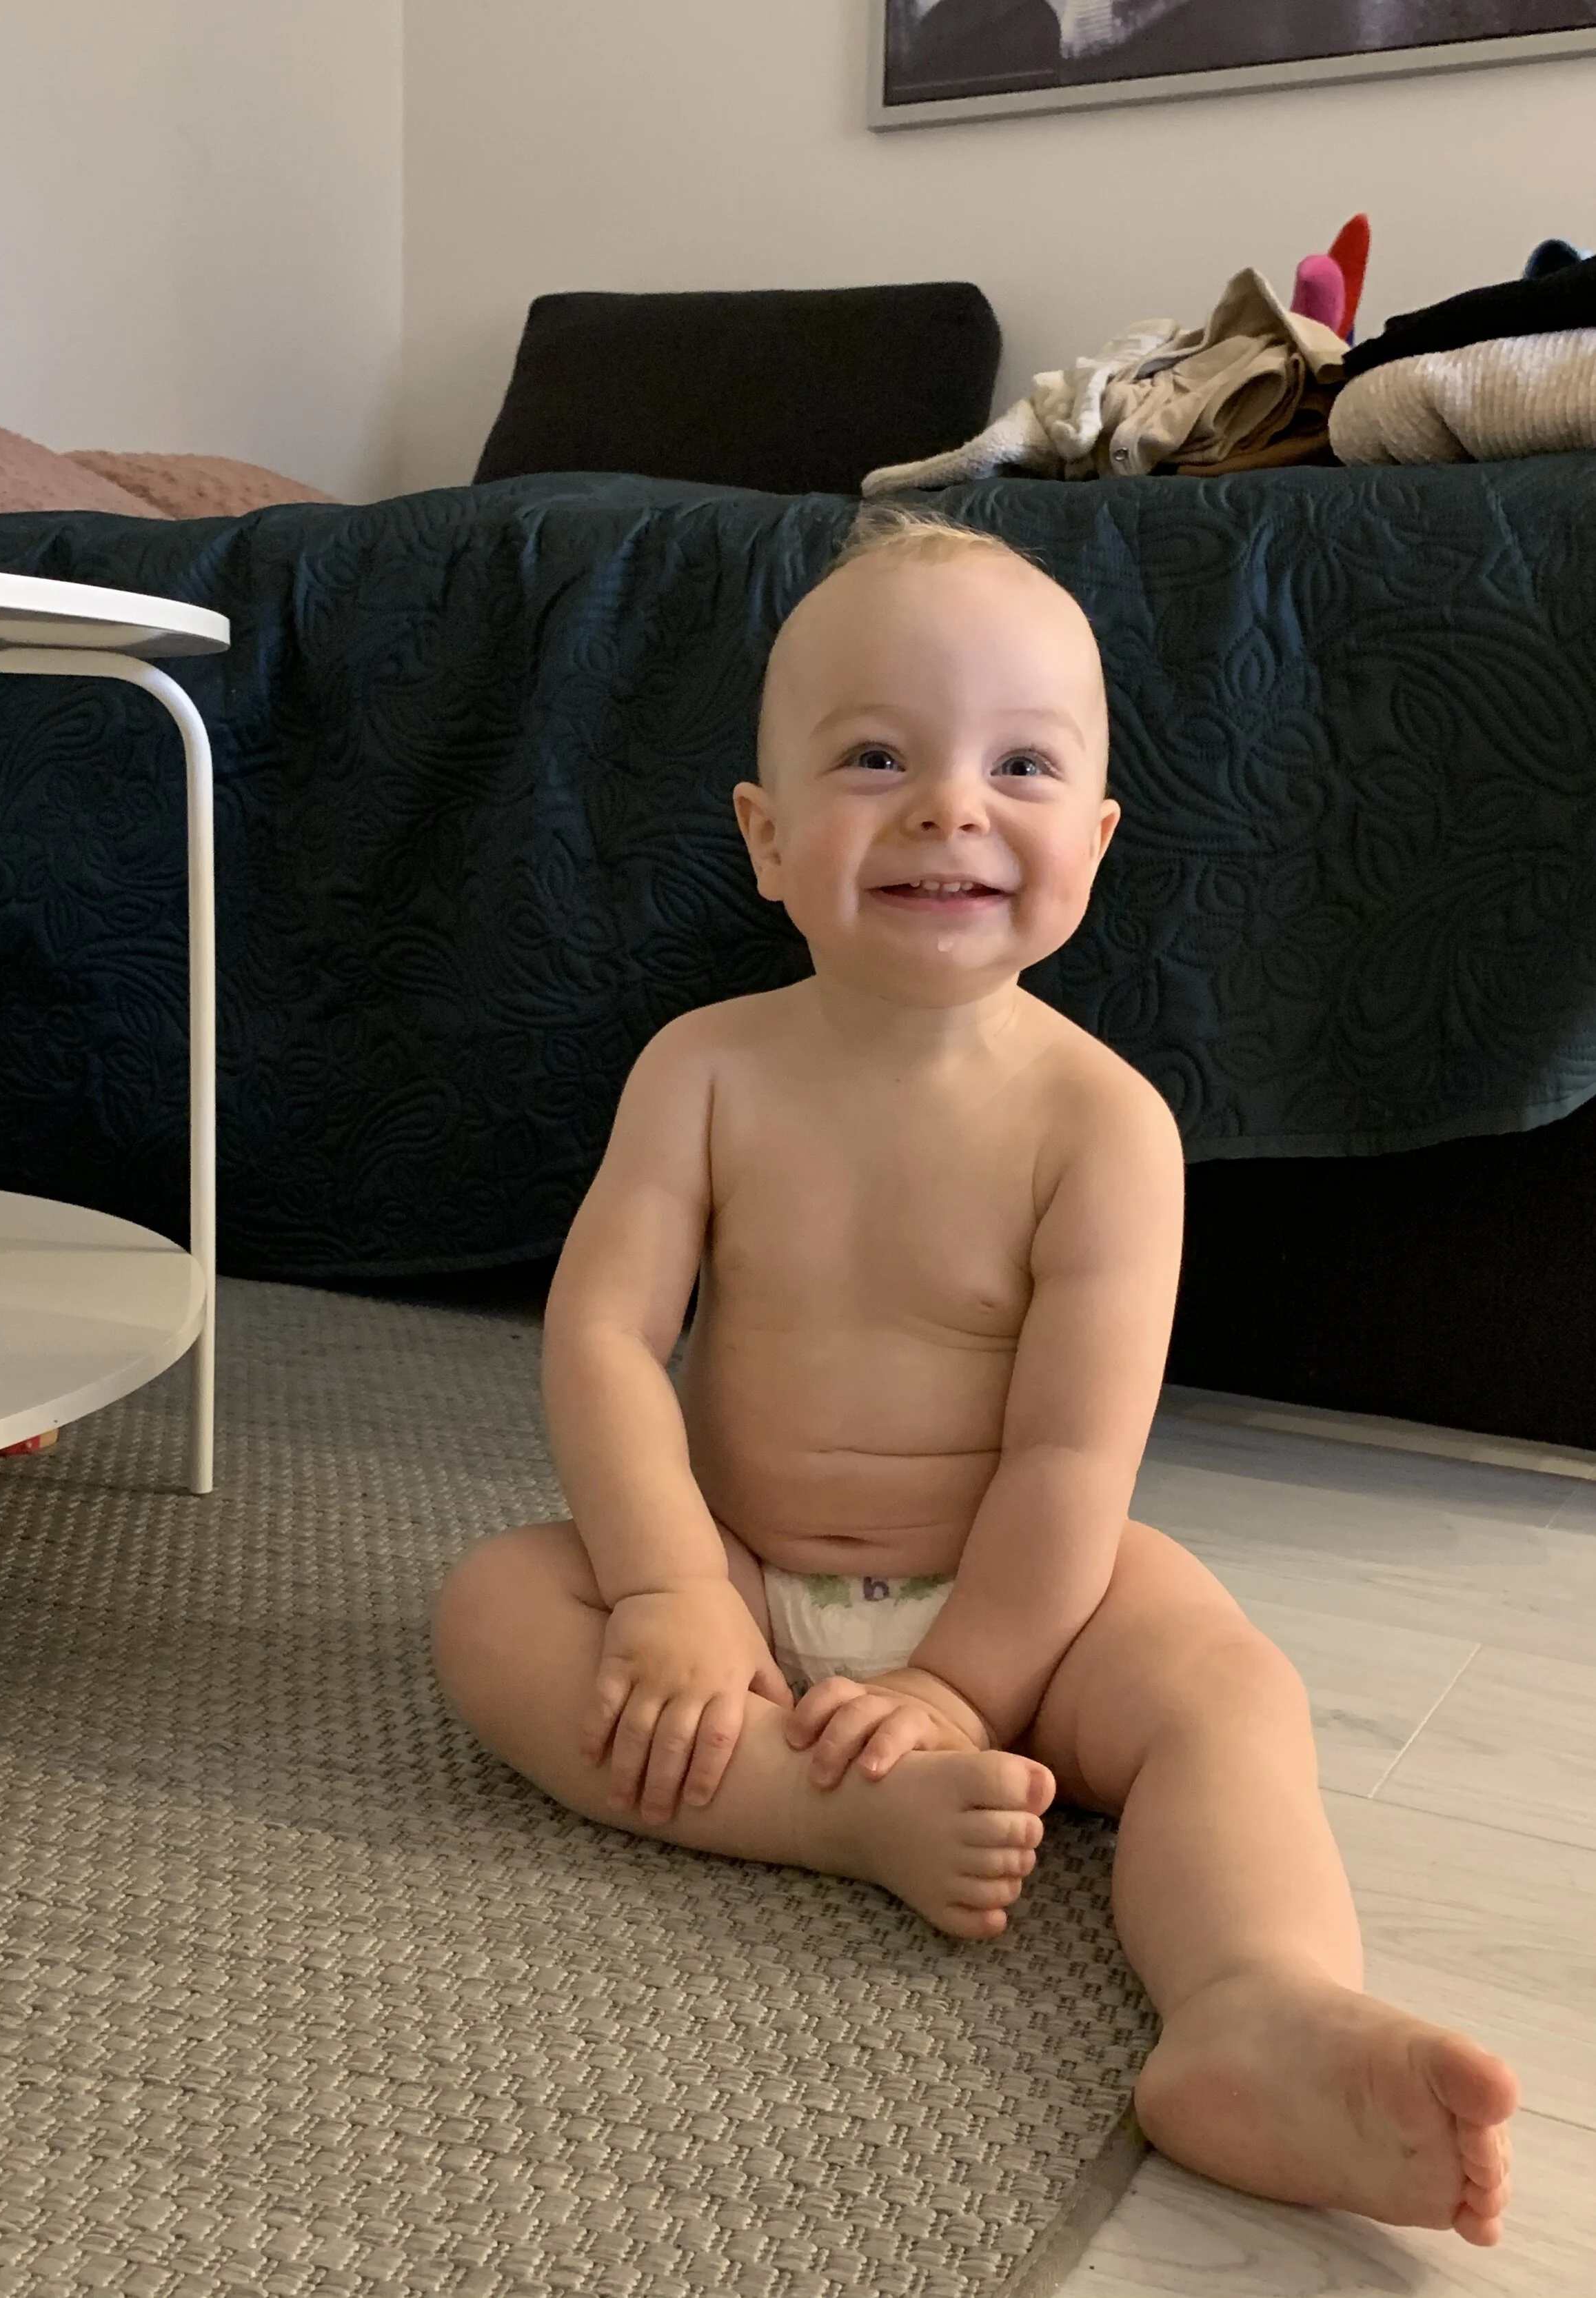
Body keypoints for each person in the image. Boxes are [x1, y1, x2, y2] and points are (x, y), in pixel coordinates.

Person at [434, 504, 1518, 2242]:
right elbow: (604, 1337)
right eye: (877, 757)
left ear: (1092, 838)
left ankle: (1255, 2004)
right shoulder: (701, 1071)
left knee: (1224, 1690)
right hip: (740, 1576)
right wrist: (667, 1588)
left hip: (1020, 1607)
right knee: (495, 1612)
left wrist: (959, 1684)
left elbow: (1069, 1461)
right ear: (765, 836)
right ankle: (829, 1816)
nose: (950, 806)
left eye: (1018, 764)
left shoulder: (1103, 1125)